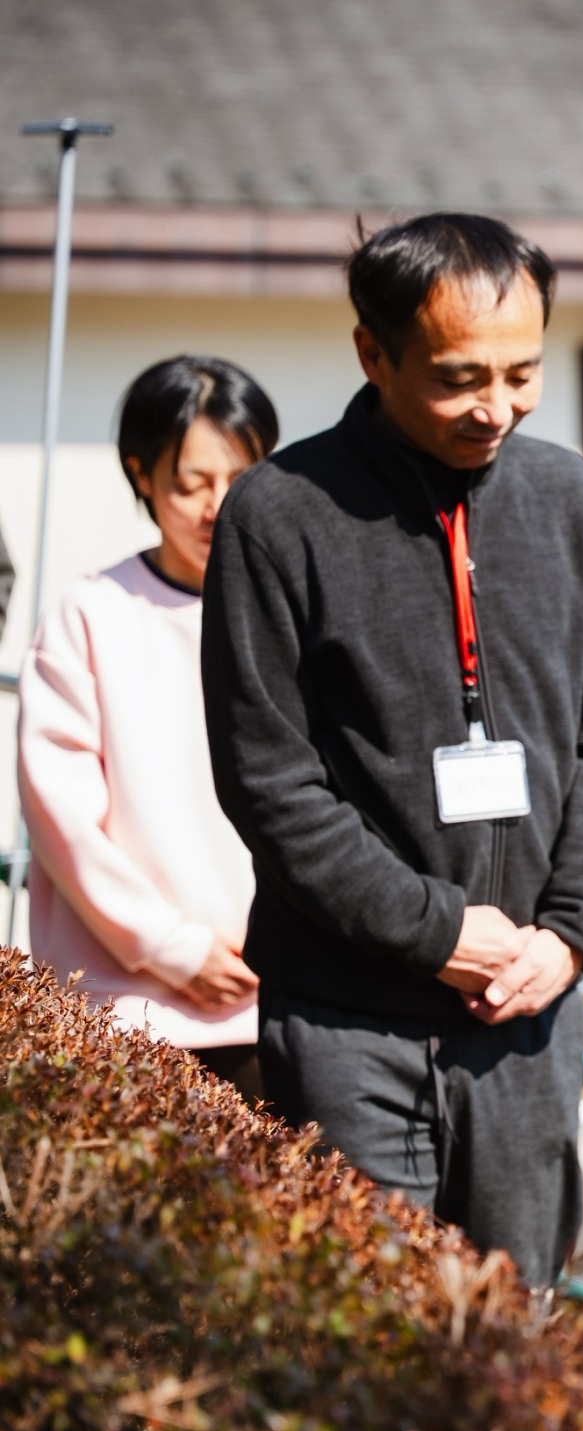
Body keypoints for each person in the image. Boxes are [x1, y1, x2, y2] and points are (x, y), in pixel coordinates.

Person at [201, 213, 583, 1288]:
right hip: (344, 1016)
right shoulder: (277, 516)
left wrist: (577, 934)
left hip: (528, 1015)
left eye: (522, 372)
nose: (495, 408)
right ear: (373, 352)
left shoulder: (569, 500)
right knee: (366, 1332)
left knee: (513, 1337)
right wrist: (436, 931)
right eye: (459, 378)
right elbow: (269, 779)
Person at [20, 356, 277, 1099]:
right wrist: (169, 947)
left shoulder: (290, 612)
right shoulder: (90, 613)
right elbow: (60, 816)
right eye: (189, 484)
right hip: (122, 1010)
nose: (215, 507)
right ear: (141, 474)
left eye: (237, 478)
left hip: (278, 1005)